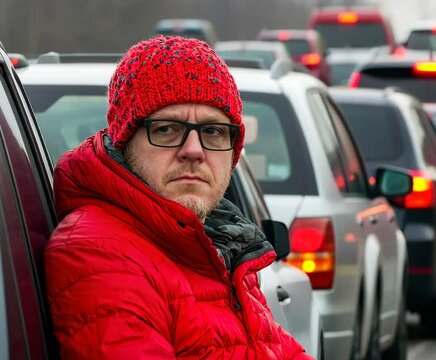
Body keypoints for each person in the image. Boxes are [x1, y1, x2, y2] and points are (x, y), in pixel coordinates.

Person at [44, 36, 313, 359]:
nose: (194, 151)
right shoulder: (101, 254)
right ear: (125, 143)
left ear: (234, 150)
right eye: (167, 129)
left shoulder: (218, 249)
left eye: (213, 131)